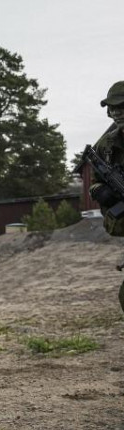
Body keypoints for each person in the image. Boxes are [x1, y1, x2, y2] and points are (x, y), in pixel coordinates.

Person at [89, 81, 124, 312]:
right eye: (112, 108)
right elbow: (94, 182)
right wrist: (101, 192)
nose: (116, 112)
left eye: (122, 106)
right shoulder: (106, 145)